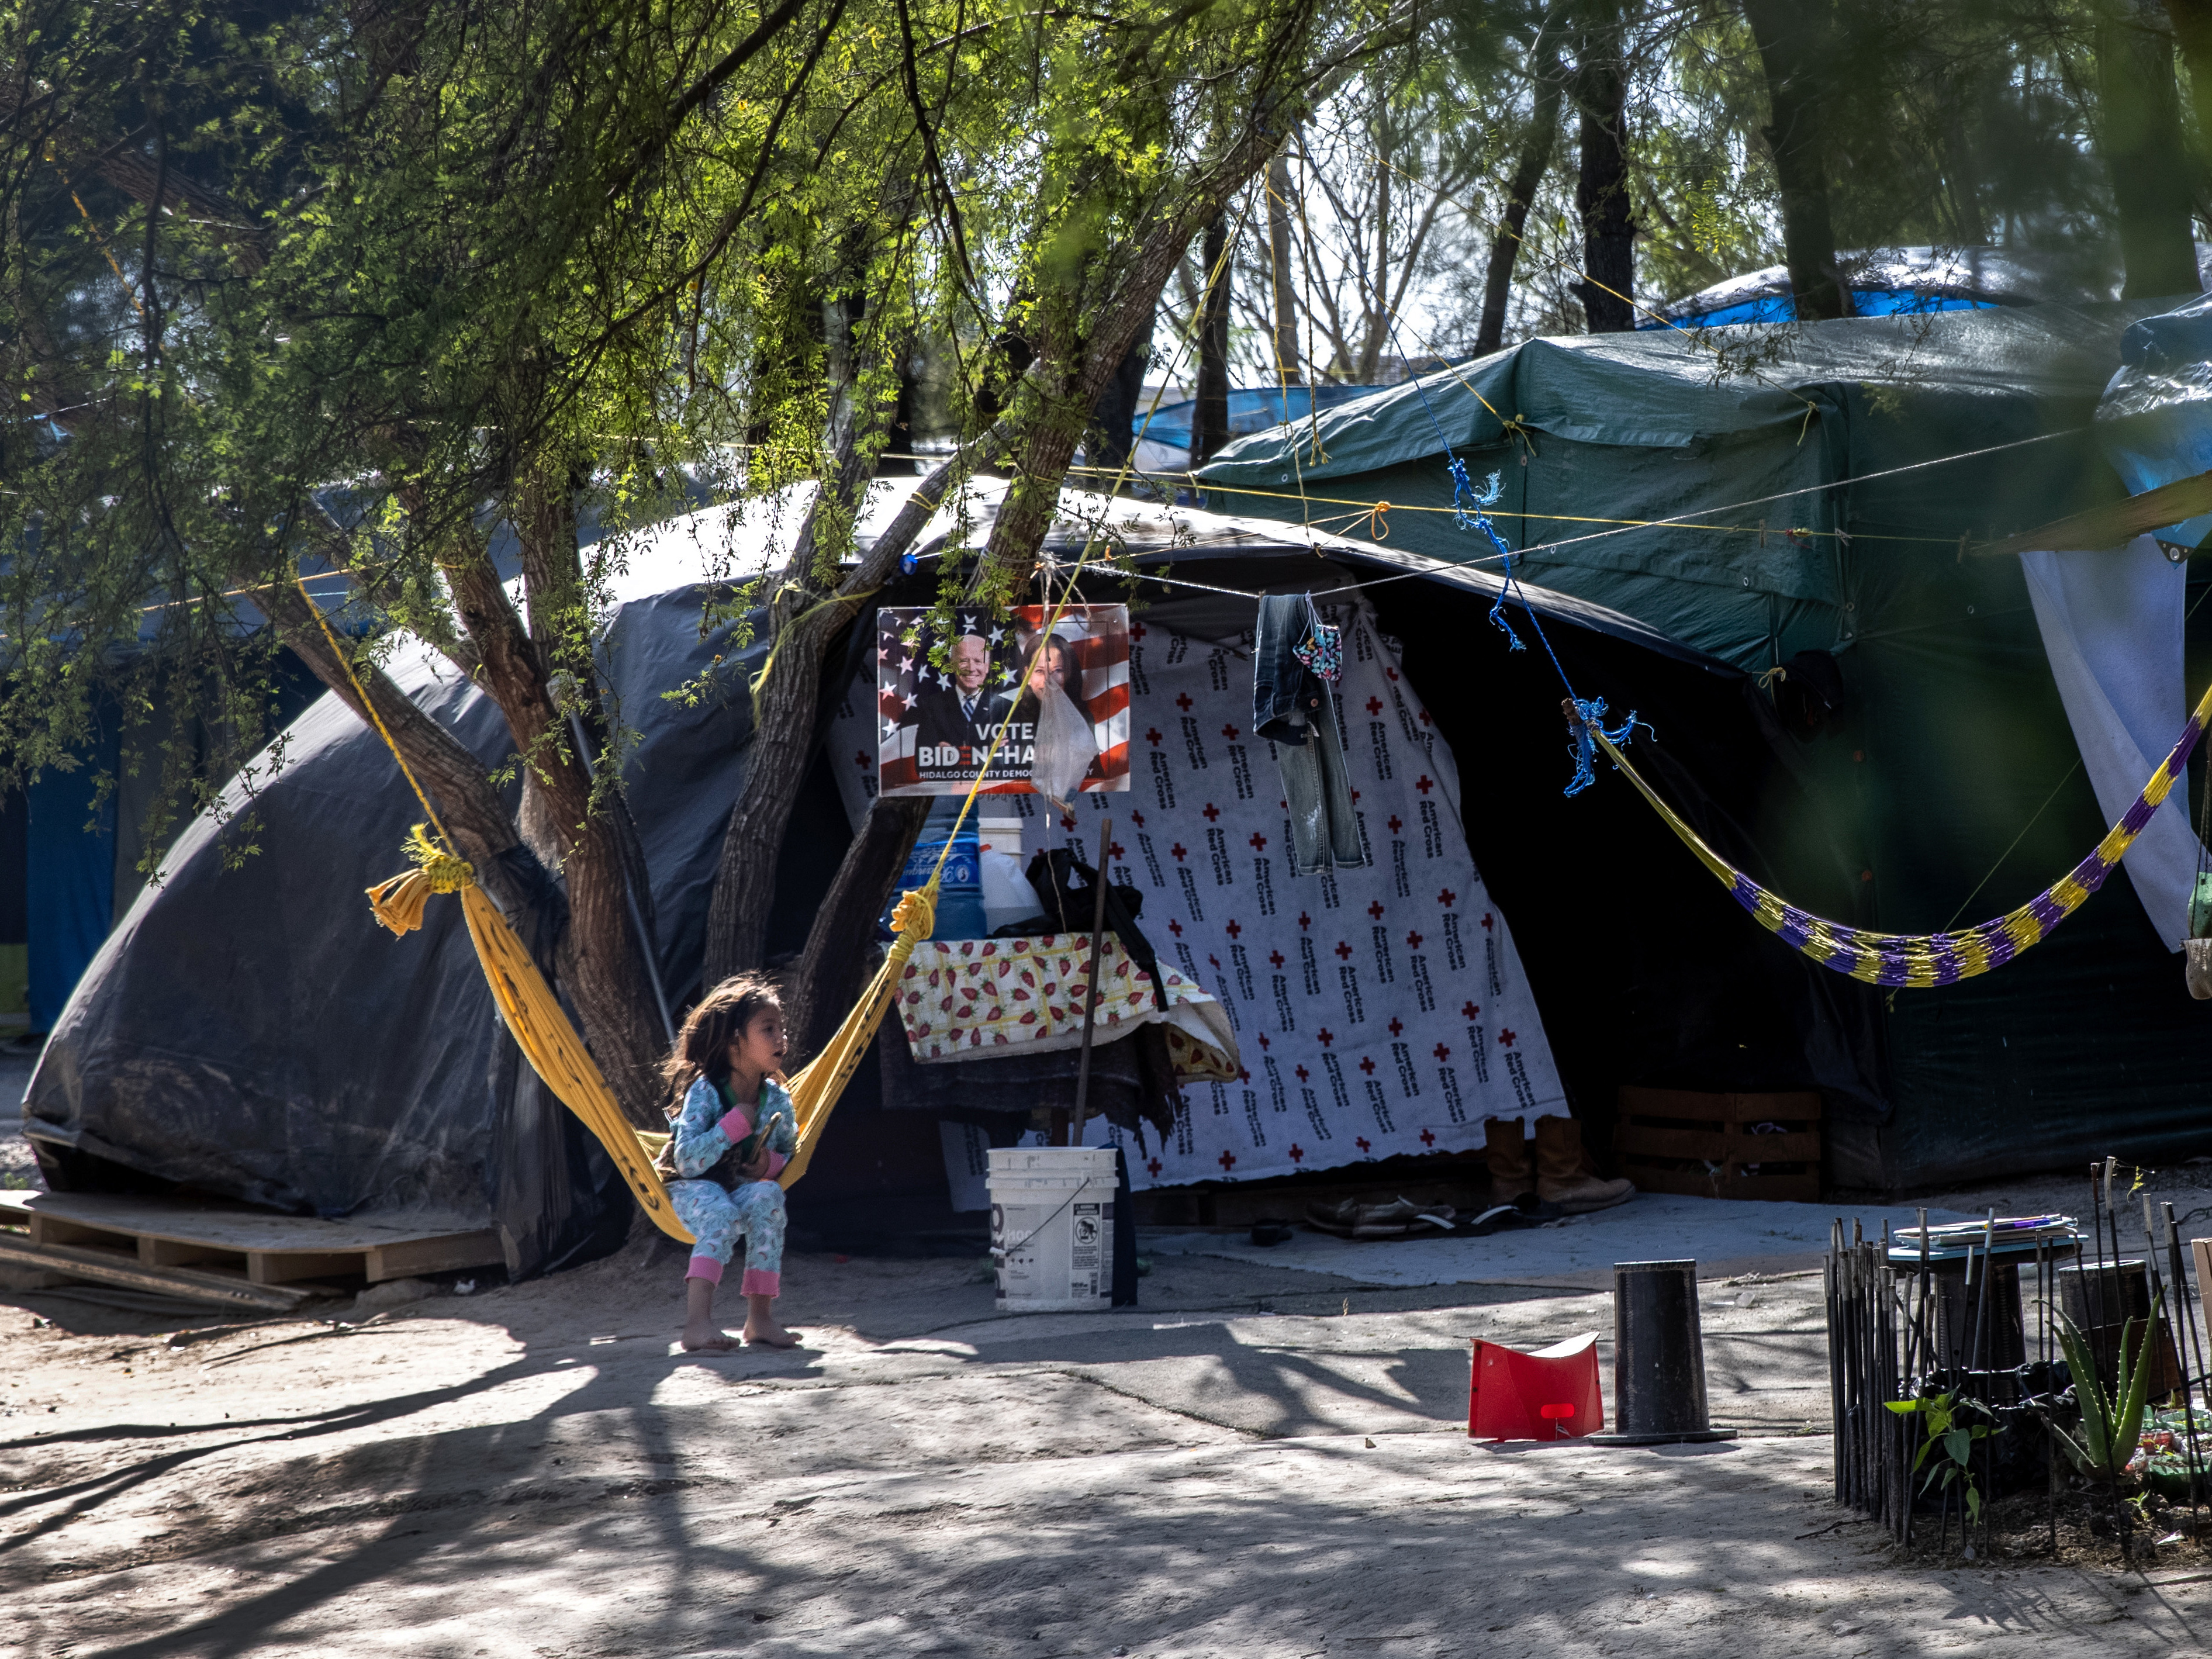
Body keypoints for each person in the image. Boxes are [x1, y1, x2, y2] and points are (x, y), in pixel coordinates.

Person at [661, 974, 801, 1350]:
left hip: (736, 1187)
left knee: (769, 1198)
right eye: (768, 1029)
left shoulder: (777, 1100)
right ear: (734, 1040)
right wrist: (731, 1128)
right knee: (721, 1215)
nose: (781, 1039)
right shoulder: (706, 1092)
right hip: (693, 1187)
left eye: (781, 1029)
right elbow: (686, 1161)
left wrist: (767, 1166)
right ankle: (696, 1324)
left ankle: (760, 1320)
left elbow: (790, 1150)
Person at [908, 632, 1014, 773]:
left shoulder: (1005, 707)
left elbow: (1010, 764)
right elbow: (923, 764)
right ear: (952, 664)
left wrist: (953, 755)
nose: (971, 668)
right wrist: (988, 752)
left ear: (987, 667)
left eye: (978, 661)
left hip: (992, 791)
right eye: (963, 661)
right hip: (948, 790)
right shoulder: (932, 706)